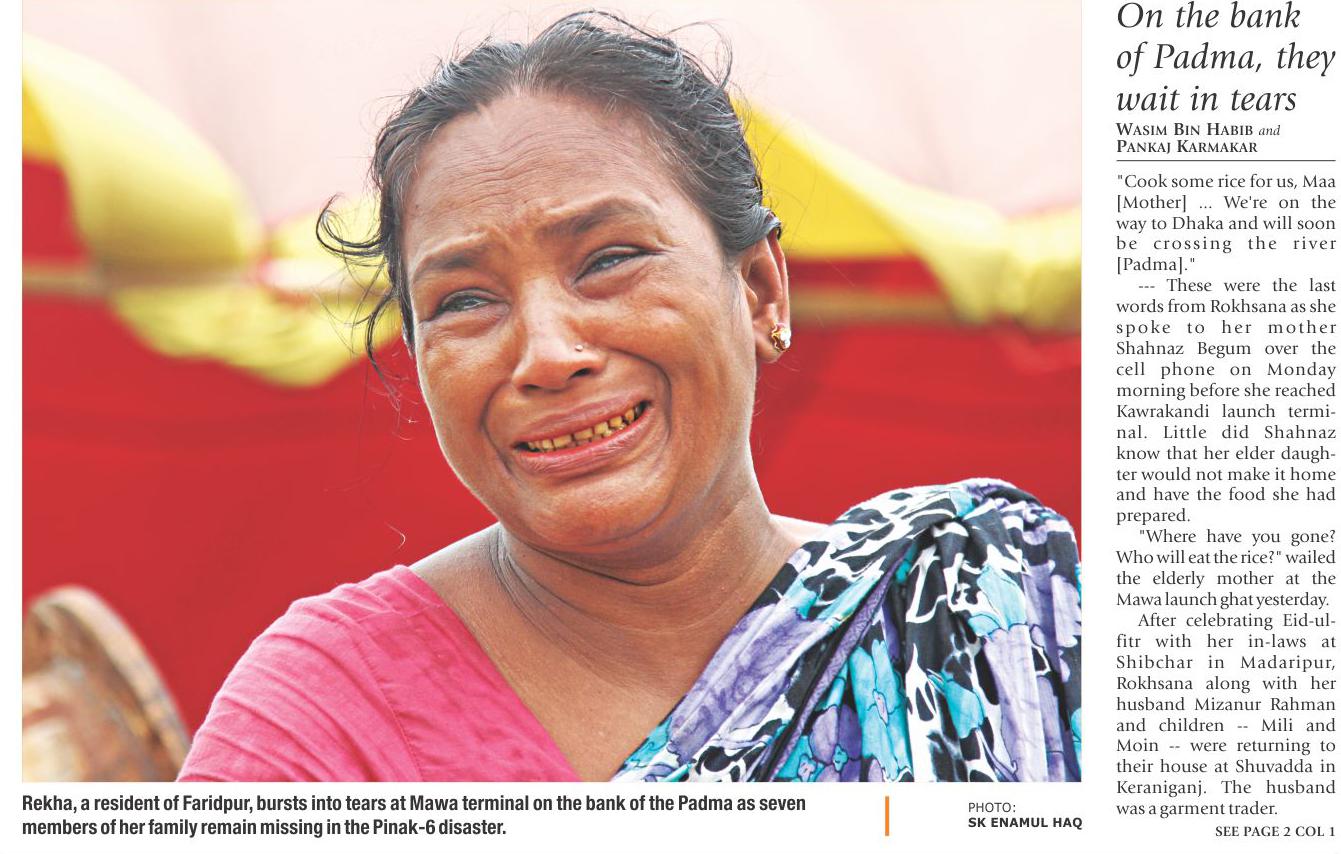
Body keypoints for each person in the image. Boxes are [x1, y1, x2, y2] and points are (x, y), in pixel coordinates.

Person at [179, 11, 1081, 783]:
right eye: (464, 301)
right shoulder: (325, 718)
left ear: (760, 291)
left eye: (609, 259)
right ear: (417, 361)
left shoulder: (982, 610)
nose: (547, 353)